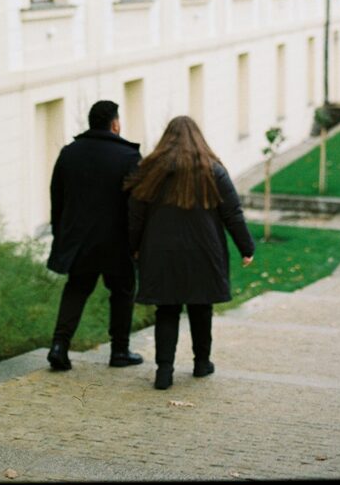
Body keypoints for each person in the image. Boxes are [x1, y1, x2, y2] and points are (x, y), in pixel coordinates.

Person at [126, 115, 255, 390]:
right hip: (204, 250)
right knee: (201, 306)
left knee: (167, 309)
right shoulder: (213, 171)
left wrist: (133, 246)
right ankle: (201, 363)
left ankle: (164, 371)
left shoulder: (151, 170)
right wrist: (246, 247)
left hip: (160, 251)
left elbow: (135, 215)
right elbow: (231, 212)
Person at [45, 100, 144, 371]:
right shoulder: (128, 156)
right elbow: (137, 206)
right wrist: (138, 242)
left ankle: (59, 346)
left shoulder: (69, 153)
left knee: (76, 290)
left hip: (80, 241)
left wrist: (60, 235)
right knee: (122, 292)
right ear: (114, 124)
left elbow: (57, 200)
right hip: (117, 242)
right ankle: (120, 351)